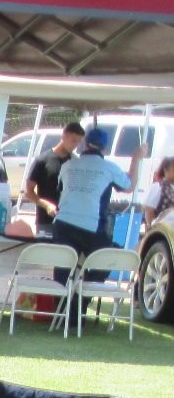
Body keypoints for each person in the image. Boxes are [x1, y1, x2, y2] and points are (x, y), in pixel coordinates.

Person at [54, 126, 145, 322]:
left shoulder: (68, 165)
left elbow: (60, 189)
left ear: (85, 144)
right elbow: (129, 186)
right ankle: (80, 300)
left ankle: (61, 314)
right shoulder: (109, 167)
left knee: (63, 266)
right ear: (105, 148)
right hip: (91, 226)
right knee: (108, 259)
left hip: (62, 222)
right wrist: (136, 159)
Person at [24, 121, 85, 233]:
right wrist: (47, 205)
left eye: (79, 142)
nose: (76, 144)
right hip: (46, 222)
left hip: (70, 222)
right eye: (74, 140)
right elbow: (28, 192)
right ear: (64, 136)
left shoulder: (76, 162)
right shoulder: (42, 160)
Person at [142, 156, 174, 228]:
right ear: (166, 170)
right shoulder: (158, 187)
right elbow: (149, 209)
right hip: (162, 229)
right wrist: (151, 225)